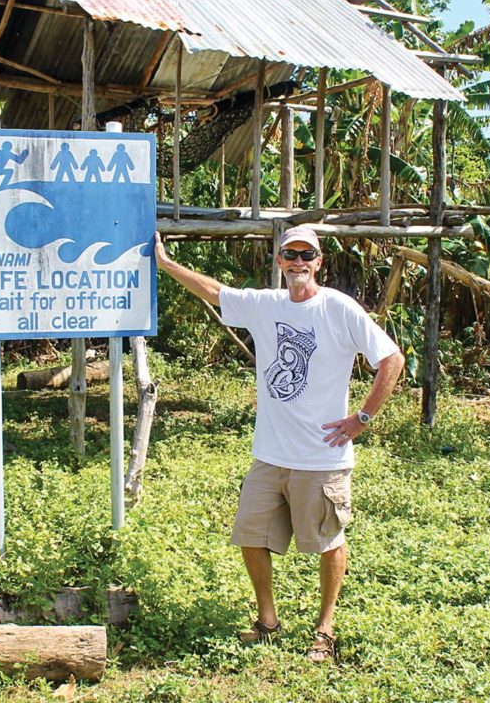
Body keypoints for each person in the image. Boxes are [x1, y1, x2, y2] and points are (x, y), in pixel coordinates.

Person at [155, 226, 404, 662]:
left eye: (307, 255)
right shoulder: (265, 305)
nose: (298, 262)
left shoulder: (339, 309)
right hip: (269, 455)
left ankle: (324, 628)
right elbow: (215, 291)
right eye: (290, 255)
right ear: (279, 262)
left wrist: (361, 418)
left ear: (320, 262)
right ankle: (267, 620)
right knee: (251, 536)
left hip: (322, 457)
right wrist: (165, 263)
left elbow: (391, 358)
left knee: (328, 542)